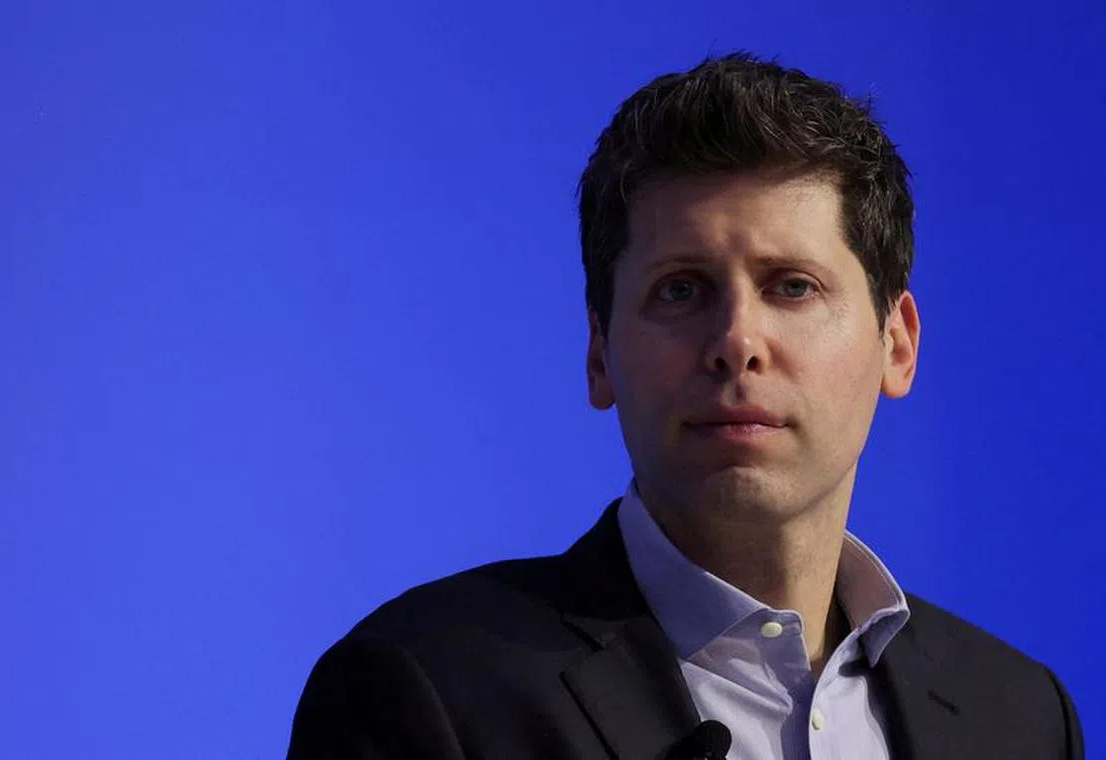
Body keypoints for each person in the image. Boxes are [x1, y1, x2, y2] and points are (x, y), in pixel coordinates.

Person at [285, 52, 1084, 759]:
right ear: (600, 355)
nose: (738, 341)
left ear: (896, 344)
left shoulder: (1019, 717)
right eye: (681, 290)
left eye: (793, 287)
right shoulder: (427, 690)